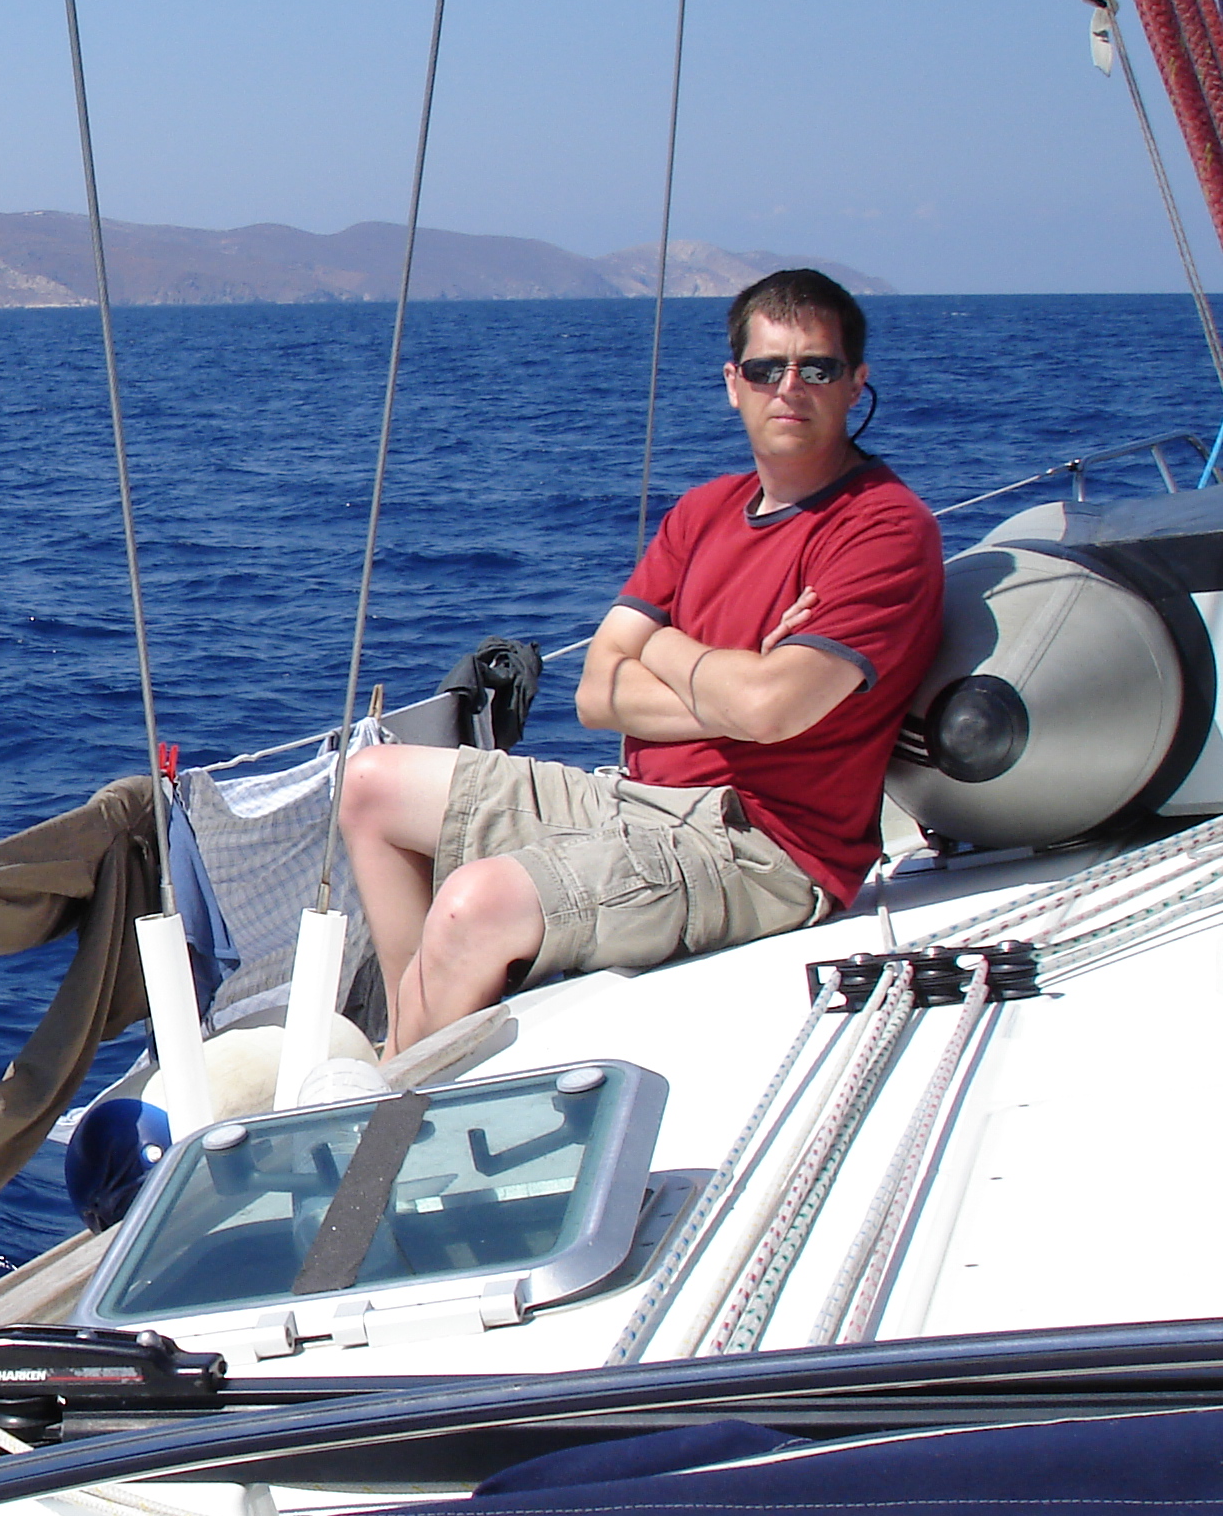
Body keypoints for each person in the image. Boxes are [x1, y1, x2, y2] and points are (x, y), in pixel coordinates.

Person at [338, 268, 946, 1052]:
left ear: (857, 383)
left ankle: (401, 1091)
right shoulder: (703, 513)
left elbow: (768, 709)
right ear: (734, 383)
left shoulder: (883, 530)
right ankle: (410, 1049)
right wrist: (736, 677)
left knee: (475, 904)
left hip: (758, 849)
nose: (789, 388)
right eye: (766, 368)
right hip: (636, 798)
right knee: (371, 784)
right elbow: (598, 693)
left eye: (817, 368)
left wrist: (659, 647)